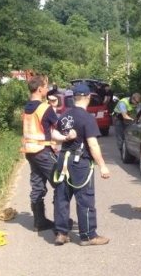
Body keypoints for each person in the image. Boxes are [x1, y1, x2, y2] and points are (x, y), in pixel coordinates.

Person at [51, 82, 111, 246]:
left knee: (62, 197)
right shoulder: (87, 119)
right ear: (88, 97)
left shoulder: (64, 115)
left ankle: (61, 233)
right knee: (85, 198)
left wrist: (64, 140)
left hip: (63, 159)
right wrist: (102, 166)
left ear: (73, 98)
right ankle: (88, 235)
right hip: (80, 162)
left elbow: (54, 134)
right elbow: (93, 145)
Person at [20, 74, 60, 233]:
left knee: (37, 186)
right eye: (46, 86)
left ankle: (39, 221)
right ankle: (61, 224)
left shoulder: (27, 107)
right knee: (60, 184)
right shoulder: (45, 107)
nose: (48, 89)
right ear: (40, 89)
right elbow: (58, 124)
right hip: (43, 151)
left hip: (30, 152)